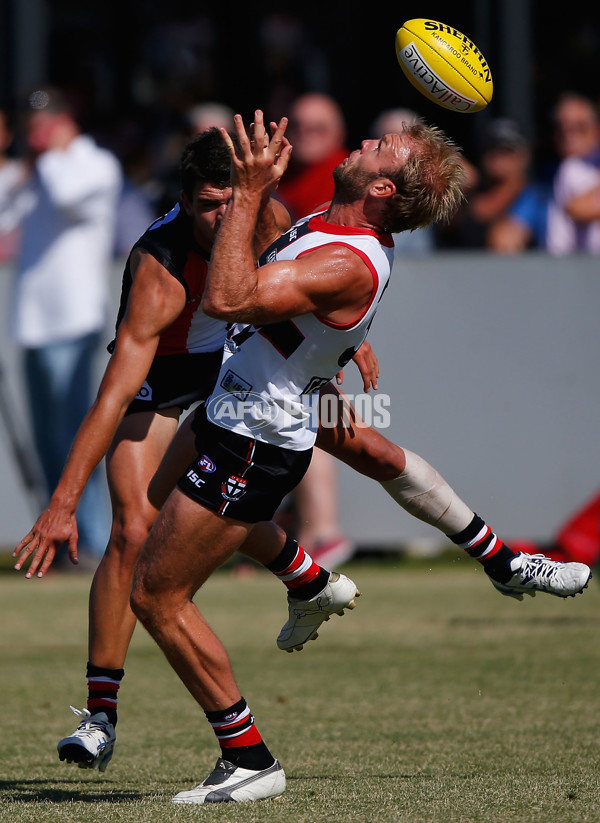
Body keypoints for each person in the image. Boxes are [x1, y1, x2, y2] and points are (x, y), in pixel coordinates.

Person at [13, 118, 591, 794]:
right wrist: (339, 339)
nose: (366, 139)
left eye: (380, 148)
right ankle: (468, 563)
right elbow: (290, 276)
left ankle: (250, 758)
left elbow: (232, 296)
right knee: (173, 516)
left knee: (157, 592)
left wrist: (257, 197)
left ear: (381, 186)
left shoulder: (342, 255)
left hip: (256, 431)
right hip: (244, 403)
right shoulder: (332, 220)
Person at [9, 87, 122, 562]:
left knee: (79, 440)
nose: (36, 135)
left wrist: (50, 156)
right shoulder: (32, 173)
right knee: (46, 442)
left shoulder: (93, 164)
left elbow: (66, 195)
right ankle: (55, 544)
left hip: (73, 320)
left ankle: (93, 543)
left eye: (44, 124)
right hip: (33, 322)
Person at [489, 93, 600, 253]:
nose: (568, 135)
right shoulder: (547, 183)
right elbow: (506, 234)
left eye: (579, 127)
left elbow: (579, 208)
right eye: (560, 127)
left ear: (596, 130)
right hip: (562, 273)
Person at [440, 118, 531, 249]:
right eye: (491, 148)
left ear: (523, 157)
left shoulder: (533, 197)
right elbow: (445, 228)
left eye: (506, 150)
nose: (497, 156)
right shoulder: (471, 191)